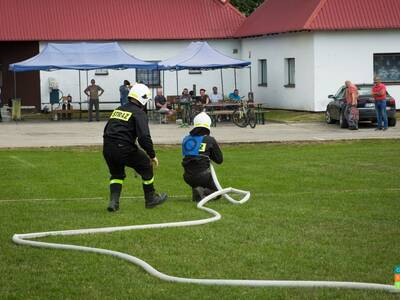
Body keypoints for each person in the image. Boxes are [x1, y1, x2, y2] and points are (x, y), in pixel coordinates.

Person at [103, 83, 168, 212]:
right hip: (123, 147)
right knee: (146, 166)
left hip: (107, 147)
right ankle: (151, 199)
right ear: (143, 98)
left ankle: (113, 203)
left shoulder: (118, 109)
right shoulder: (139, 113)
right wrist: (152, 155)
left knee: (116, 174)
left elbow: (108, 129)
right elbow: (144, 137)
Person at [182, 112, 223, 202]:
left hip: (187, 176)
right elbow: (219, 160)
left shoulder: (186, 139)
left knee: (197, 177)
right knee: (218, 192)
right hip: (203, 175)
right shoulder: (209, 139)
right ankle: (202, 191)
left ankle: (197, 190)